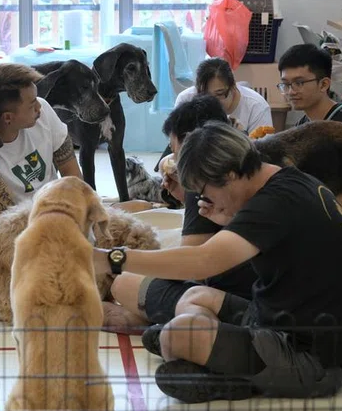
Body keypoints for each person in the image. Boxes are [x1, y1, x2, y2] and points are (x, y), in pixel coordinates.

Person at [94, 121, 342, 403]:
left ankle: (227, 373)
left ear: (230, 175)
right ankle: (214, 355)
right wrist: (230, 218)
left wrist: (112, 258)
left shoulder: (273, 205)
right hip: (277, 320)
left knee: (176, 336)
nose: (204, 200)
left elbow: (202, 261)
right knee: (198, 296)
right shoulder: (287, 182)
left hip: (311, 361)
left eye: (205, 192)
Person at [102, 94, 257, 331]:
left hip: (233, 301)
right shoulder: (250, 161)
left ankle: (153, 320)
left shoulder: (203, 173)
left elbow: (194, 262)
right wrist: (185, 197)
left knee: (123, 283)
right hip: (251, 296)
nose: (175, 160)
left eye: (175, 152)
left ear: (189, 143)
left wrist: (116, 261)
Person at [0, 63, 82, 230]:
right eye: (32, 105)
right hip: (8, 230)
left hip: (54, 214)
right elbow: (5, 213)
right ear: (8, 118)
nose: (39, 107)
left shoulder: (43, 110)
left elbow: (72, 174)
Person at [278, 43, 342, 134]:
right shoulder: (302, 126)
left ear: (324, 84)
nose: (291, 92)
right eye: (286, 84)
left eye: (299, 83)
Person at [174, 57, 272, 133]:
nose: (212, 102)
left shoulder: (256, 107)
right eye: (205, 96)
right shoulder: (186, 99)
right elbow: (176, 143)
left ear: (233, 87)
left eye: (219, 94)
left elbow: (262, 153)